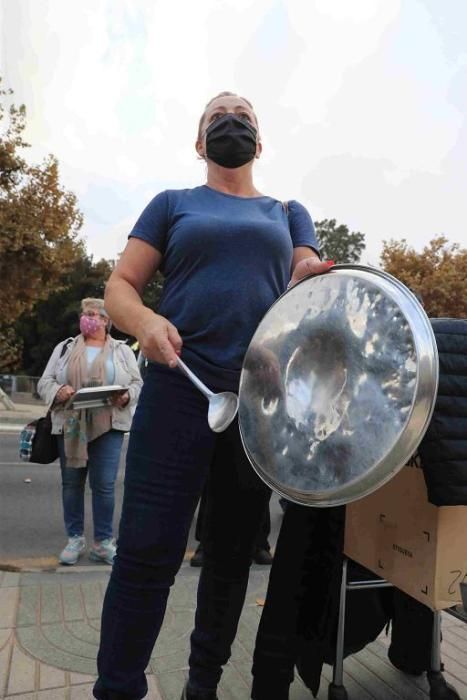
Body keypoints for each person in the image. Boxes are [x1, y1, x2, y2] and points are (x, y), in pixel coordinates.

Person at [92, 91, 333, 700]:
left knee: (228, 558)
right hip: (178, 389)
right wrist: (145, 323)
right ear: (200, 143)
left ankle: (202, 685)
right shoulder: (172, 205)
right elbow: (120, 285)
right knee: (147, 550)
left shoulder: (286, 210)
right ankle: (118, 688)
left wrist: (305, 277)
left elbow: (303, 273)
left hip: (254, 402)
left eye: (245, 116)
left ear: (260, 141)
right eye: (217, 117)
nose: (232, 121)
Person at [37, 297, 143, 566]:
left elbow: (137, 383)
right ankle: (75, 538)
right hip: (70, 424)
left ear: (107, 321)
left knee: (105, 485)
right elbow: (44, 382)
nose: (90, 318)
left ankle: (103, 543)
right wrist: (57, 391)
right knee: (72, 483)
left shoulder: (122, 351)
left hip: (109, 424)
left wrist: (127, 396)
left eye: (97, 314)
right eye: (87, 313)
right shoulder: (65, 348)